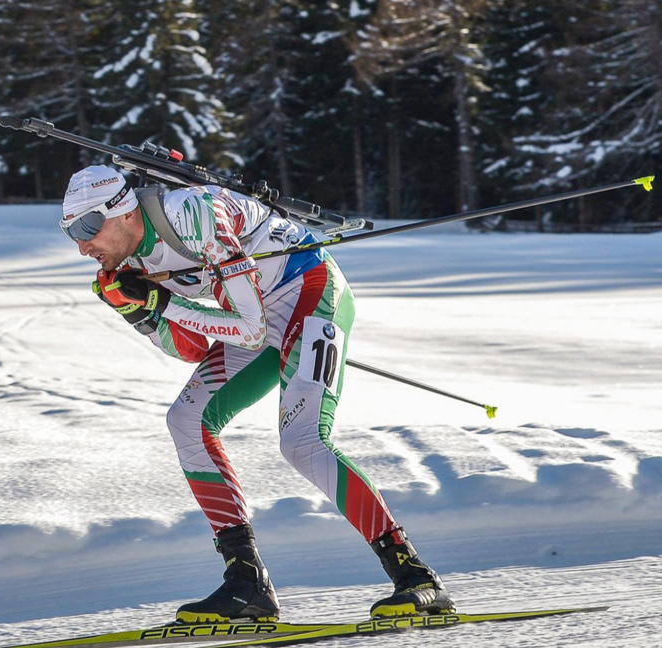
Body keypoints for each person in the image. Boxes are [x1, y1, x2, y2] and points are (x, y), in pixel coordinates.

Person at [58, 166, 455, 624]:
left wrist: (163, 302)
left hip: (311, 291)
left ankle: (415, 576)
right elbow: (192, 349)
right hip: (255, 320)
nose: (82, 244)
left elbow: (246, 329)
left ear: (125, 212)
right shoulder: (126, 263)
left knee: (302, 442)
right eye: (70, 232)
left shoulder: (194, 214)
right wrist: (140, 314)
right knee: (186, 420)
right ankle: (247, 583)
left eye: (88, 227)